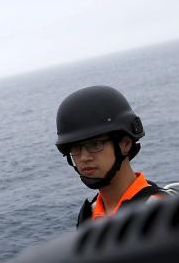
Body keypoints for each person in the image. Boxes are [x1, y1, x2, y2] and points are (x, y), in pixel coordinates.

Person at [55, 85, 172, 227]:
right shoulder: (88, 215)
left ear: (125, 144)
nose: (84, 157)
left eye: (95, 144)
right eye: (75, 147)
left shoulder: (162, 210)